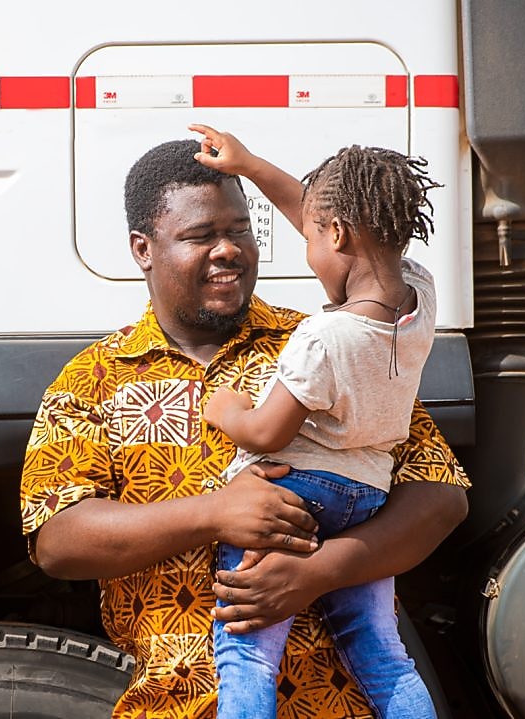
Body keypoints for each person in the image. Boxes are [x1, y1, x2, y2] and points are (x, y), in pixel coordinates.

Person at [19, 135, 469, 719]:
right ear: (143, 249)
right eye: (201, 236)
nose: (228, 250)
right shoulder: (94, 379)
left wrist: (319, 572)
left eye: (240, 230)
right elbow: (57, 541)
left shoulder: (326, 342)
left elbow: (440, 496)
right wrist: (216, 512)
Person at [193, 124, 442, 719]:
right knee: (384, 657)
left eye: (312, 237)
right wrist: (251, 165)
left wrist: (227, 410)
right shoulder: (420, 295)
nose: (308, 248)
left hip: (294, 492)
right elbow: (325, 218)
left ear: (337, 233)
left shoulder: (324, 338)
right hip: (368, 495)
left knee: (248, 657)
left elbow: (267, 433)